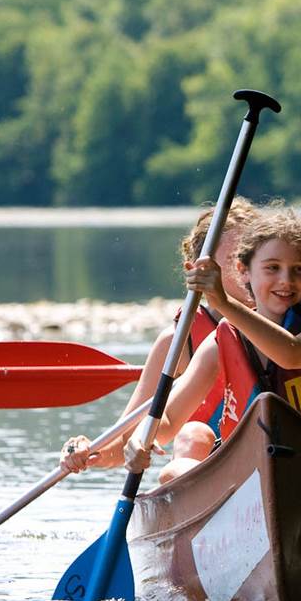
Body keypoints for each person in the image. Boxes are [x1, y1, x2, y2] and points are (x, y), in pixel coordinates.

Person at [123, 206, 301, 484]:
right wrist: (140, 437)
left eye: (299, 270)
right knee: (175, 471)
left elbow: (291, 355)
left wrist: (223, 302)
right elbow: (170, 419)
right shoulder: (222, 340)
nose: (286, 280)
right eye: (272, 267)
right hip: (252, 474)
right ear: (243, 270)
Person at [59, 198, 256, 473]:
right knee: (193, 434)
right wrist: (89, 452)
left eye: (255, 257)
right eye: (237, 259)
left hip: (270, 453)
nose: (248, 269)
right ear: (197, 269)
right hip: (207, 465)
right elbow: (126, 439)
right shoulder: (177, 343)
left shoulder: (285, 322)